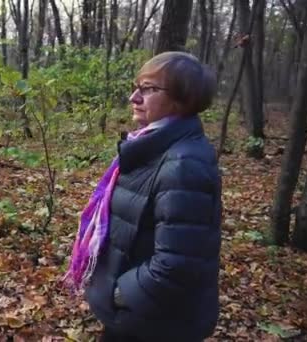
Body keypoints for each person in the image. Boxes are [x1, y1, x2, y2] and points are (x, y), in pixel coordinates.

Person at [64, 51, 222, 342]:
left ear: (183, 98)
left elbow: (177, 264)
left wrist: (120, 294)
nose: (134, 97)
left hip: (156, 323)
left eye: (148, 89)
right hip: (141, 317)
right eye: (137, 87)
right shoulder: (152, 147)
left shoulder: (183, 163)